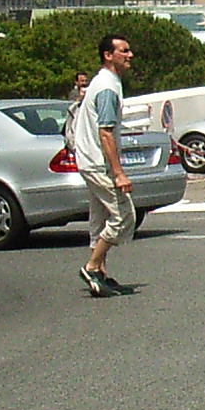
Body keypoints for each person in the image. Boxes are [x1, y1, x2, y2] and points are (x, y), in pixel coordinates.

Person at [67, 32, 135, 296]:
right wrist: (119, 173)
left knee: (100, 218)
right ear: (109, 55)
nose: (130, 56)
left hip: (89, 160)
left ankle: (101, 275)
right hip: (98, 163)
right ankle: (93, 266)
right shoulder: (107, 87)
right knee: (123, 215)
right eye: (124, 51)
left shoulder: (104, 82)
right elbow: (105, 132)